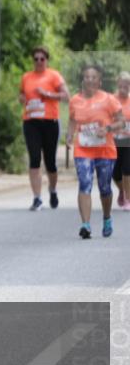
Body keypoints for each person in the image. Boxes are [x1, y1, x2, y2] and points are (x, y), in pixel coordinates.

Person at [66, 65, 123, 239]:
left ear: (99, 81)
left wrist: (107, 128)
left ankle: (106, 218)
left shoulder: (109, 99)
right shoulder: (75, 100)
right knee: (84, 183)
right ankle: (86, 224)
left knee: (104, 187)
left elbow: (122, 123)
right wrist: (69, 137)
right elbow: (72, 120)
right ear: (83, 80)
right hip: (83, 149)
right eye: (87, 77)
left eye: (93, 77)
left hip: (105, 150)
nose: (90, 80)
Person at [18, 47, 69, 211]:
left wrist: (47, 94)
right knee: (34, 158)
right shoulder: (26, 77)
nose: (39, 61)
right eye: (36, 59)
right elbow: (20, 94)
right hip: (31, 122)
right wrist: (22, 98)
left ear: (47, 60)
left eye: (42, 59)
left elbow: (66, 96)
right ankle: (37, 198)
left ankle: (52, 190)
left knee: (50, 162)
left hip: (50, 122)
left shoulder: (54, 75)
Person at [113, 71, 130, 210]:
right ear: (117, 85)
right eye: (121, 86)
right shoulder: (111, 100)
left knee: (127, 170)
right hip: (114, 141)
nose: (123, 89)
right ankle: (122, 191)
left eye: (126, 86)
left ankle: (128, 200)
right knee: (115, 173)